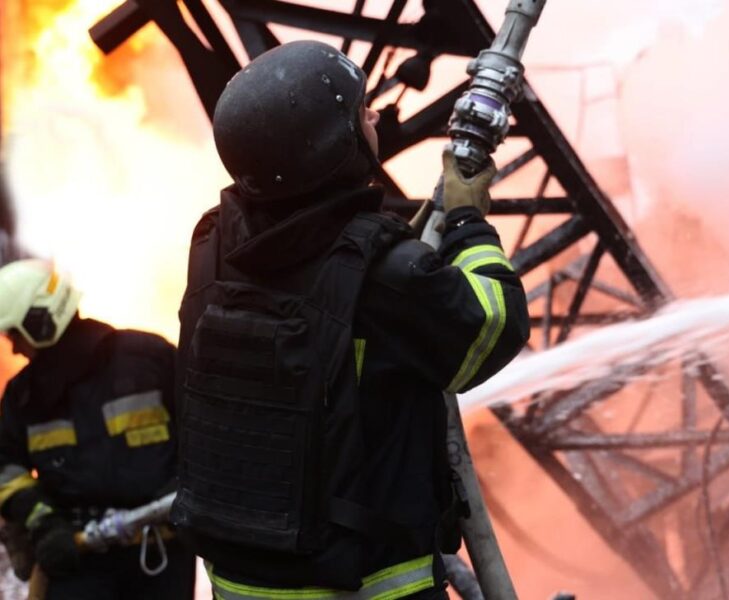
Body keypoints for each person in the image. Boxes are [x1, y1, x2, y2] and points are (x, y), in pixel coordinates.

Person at [172, 40, 530, 599]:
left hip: (239, 583)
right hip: (365, 585)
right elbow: (494, 328)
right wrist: (467, 221)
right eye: (358, 110)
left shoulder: (213, 242)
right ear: (333, 149)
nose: (372, 115)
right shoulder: (385, 276)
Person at [0, 259, 195, 599]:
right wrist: (44, 524)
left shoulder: (150, 359)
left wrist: (186, 484)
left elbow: (205, 432)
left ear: (39, 322)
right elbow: (4, 467)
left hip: (159, 553)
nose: (14, 348)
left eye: (14, 334)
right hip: (75, 557)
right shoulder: (23, 396)